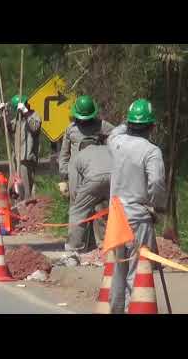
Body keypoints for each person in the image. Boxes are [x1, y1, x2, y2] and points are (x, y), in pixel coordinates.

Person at [108, 99, 166, 314]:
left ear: (130, 123)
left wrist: (127, 120)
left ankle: (116, 310)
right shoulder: (151, 151)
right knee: (137, 270)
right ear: (151, 126)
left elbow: (116, 131)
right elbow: (157, 183)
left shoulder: (116, 143)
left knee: (117, 270)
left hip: (116, 217)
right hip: (137, 217)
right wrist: (156, 206)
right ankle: (137, 309)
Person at [59, 95, 114, 205]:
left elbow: (117, 136)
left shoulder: (102, 126)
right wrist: (64, 175)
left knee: (98, 207)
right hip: (76, 173)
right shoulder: (71, 129)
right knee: (76, 204)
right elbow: (64, 154)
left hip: (95, 172)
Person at [65, 135, 111, 252]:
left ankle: (74, 249)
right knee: (112, 209)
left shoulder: (78, 157)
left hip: (94, 179)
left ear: (81, 148)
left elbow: (74, 187)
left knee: (77, 212)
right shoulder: (108, 149)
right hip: (116, 178)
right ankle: (110, 244)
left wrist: (79, 202)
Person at [0, 95, 42, 200]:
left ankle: (26, 212)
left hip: (26, 159)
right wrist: (3, 115)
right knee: (13, 190)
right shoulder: (17, 120)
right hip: (15, 160)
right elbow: (6, 129)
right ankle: (14, 212)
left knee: (24, 191)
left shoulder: (34, 115)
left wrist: (26, 112)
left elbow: (35, 127)